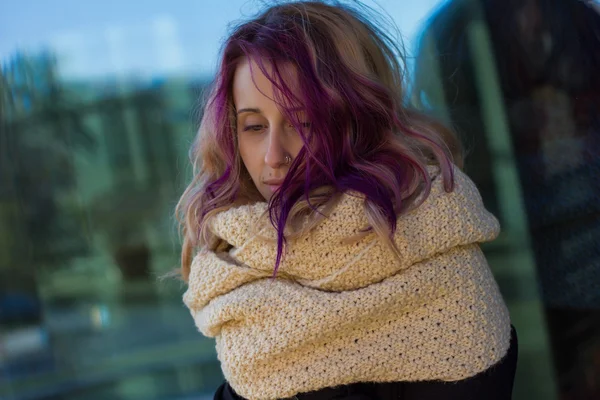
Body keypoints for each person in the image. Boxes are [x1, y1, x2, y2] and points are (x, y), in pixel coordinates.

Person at [176, 1, 517, 399]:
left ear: (359, 119)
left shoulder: (445, 276)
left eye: (302, 123)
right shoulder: (235, 272)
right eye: (253, 126)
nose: (272, 156)